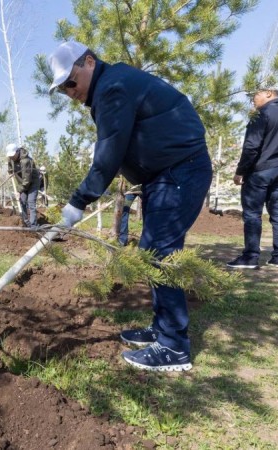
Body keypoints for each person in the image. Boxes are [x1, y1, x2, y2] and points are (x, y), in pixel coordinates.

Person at [49, 41, 212, 371]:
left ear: (90, 62)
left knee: (160, 253)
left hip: (180, 170)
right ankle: (162, 329)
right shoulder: (113, 84)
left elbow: (108, 154)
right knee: (152, 251)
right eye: (62, 87)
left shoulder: (114, 87)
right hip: (166, 175)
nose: (69, 91)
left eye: (70, 81)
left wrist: (78, 201)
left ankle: (174, 347)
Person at [226, 84, 278, 270]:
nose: (252, 99)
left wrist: (240, 171)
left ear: (268, 93)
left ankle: (250, 257)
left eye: (254, 95)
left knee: (252, 214)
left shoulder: (262, 113)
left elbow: (251, 146)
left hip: (260, 170)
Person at [6, 143, 41, 229]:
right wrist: (10, 172)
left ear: (17, 151)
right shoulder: (10, 158)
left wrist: (19, 191)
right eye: (10, 156)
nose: (12, 157)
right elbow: (10, 166)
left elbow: (27, 180)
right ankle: (26, 223)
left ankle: (33, 226)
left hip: (32, 182)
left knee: (31, 202)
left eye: (13, 155)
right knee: (22, 201)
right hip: (23, 183)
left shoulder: (26, 161)